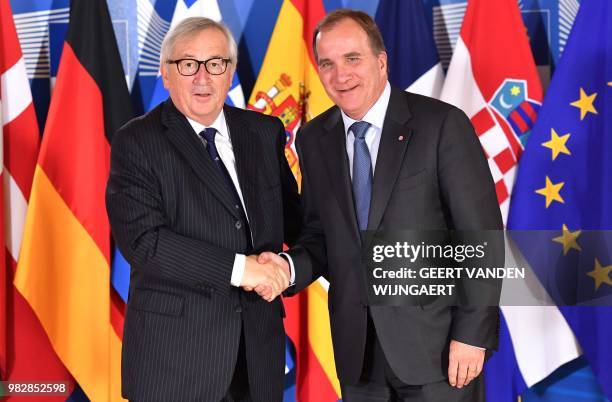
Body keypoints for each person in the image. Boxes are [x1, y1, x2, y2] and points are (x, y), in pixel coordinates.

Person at [258, 9, 502, 402]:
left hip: (438, 352)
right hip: (358, 356)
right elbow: (322, 235)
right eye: (327, 64)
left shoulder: (441, 125)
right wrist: (286, 269)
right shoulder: (314, 138)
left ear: (381, 61)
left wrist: (472, 336)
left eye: (352, 59)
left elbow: (481, 237)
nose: (341, 75)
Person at [106, 17, 301, 402]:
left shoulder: (264, 133)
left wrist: (290, 269)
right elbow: (145, 243)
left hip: (257, 357)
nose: (202, 77)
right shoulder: (137, 141)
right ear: (165, 74)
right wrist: (242, 268)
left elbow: (298, 224)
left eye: (215, 64)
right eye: (188, 64)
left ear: (229, 73)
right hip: (177, 360)